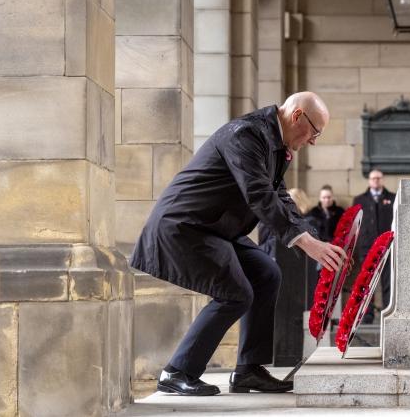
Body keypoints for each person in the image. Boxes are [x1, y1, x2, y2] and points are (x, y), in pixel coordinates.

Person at [129, 92, 346, 396]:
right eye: (315, 131)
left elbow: (279, 196)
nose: (313, 141)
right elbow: (258, 194)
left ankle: (249, 370)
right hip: (184, 226)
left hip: (215, 228)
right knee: (235, 293)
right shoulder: (246, 134)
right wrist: (305, 242)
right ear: (297, 116)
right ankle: (177, 371)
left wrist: (311, 238)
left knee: (266, 273)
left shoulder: (275, 144)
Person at [352, 169, 395, 323]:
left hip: (387, 245)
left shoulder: (392, 198)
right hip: (367, 246)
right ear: (369, 181)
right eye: (373, 178)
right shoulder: (359, 200)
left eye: (378, 178)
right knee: (366, 282)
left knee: (388, 281)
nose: (376, 181)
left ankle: (387, 312)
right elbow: (354, 224)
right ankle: (367, 314)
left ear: (382, 180)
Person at [305, 185, 345, 299]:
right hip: (318, 248)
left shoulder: (339, 212)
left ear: (332, 197)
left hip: (336, 248)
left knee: (334, 280)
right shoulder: (313, 213)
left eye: (328, 197)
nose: (326, 200)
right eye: (324, 197)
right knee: (318, 279)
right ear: (320, 198)